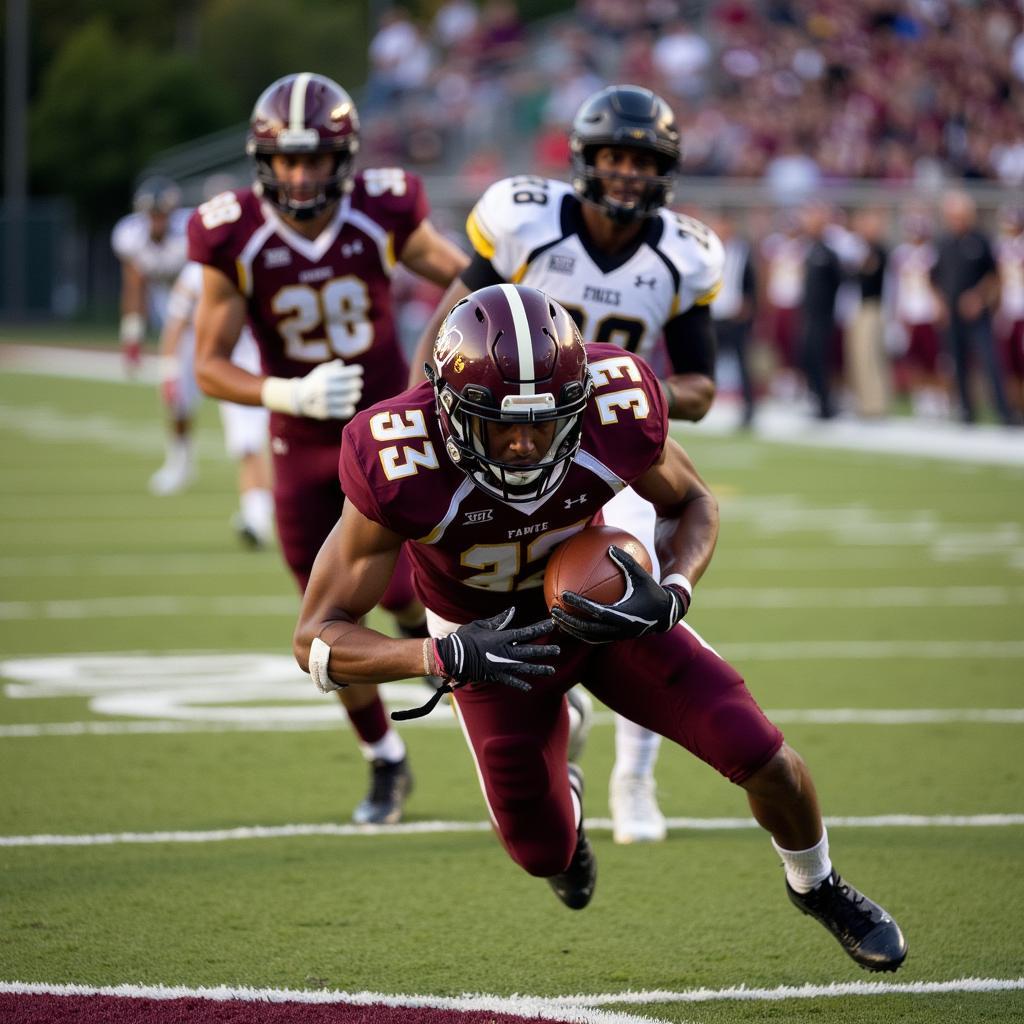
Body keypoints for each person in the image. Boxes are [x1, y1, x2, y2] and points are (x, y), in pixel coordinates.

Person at [296, 283, 908, 973]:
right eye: (501, 424)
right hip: (488, 644)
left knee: (761, 753)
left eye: (544, 422)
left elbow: (694, 502)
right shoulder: (396, 457)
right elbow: (317, 637)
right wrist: (439, 655)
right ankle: (573, 799)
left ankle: (820, 886)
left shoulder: (616, 404)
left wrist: (674, 588)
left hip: (605, 611)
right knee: (542, 853)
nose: (525, 445)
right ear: (448, 407)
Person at [407, 84, 724, 845]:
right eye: (614, 156)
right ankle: (554, 711)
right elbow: (446, 332)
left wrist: (623, 392)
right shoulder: (524, 221)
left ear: (666, 169)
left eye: (642, 160)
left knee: (636, 602)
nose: (626, 173)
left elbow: (703, 386)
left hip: (610, 442)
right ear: (584, 160)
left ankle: (636, 780)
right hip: (504, 441)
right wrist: (432, 416)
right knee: (501, 594)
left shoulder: (683, 253)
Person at [188, 72, 469, 824]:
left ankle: (484, 709)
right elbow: (207, 363)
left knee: (411, 599)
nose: (301, 175)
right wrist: (286, 392)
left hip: (383, 437)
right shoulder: (232, 232)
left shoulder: (382, 209)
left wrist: (429, 375)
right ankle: (385, 760)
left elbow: (469, 279)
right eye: (287, 160)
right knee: (325, 621)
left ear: (343, 158)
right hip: (297, 442)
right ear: (263, 161)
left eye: (315, 159)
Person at [158, 260, 275, 546]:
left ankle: (260, 516)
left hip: (253, 362)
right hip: (234, 362)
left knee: (257, 444)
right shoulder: (201, 271)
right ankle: (257, 515)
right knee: (251, 443)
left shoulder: (257, 255)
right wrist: (170, 370)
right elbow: (177, 321)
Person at [111, 176, 193, 494]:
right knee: (174, 393)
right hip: (170, 314)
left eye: (162, 213)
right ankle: (180, 461)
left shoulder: (189, 232)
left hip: (206, 309)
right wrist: (132, 334)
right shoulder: (130, 236)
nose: (157, 220)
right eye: (152, 214)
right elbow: (134, 284)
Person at [930, 190, 1015, 426]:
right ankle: (966, 411)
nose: (955, 221)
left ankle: (1003, 411)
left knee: (990, 361)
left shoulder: (981, 240)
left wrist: (978, 297)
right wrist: (939, 303)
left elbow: (995, 276)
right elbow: (933, 278)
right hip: (952, 314)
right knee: (957, 363)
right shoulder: (943, 242)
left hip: (977, 315)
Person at [708, 209, 757, 428]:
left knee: (743, 363)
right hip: (713, 315)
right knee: (705, 362)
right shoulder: (707, 251)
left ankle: (749, 408)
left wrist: (749, 303)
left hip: (735, 316)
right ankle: (702, 404)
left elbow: (752, 279)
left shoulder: (743, 250)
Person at [797, 201, 842, 419]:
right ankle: (817, 401)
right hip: (809, 315)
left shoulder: (829, 253)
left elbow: (838, 282)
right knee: (810, 358)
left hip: (824, 316)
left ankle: (827, 405)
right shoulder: (809, 250)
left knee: (824, 360)